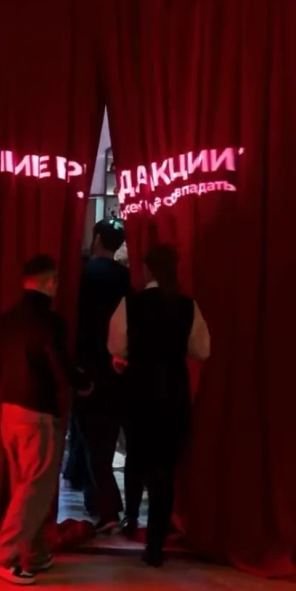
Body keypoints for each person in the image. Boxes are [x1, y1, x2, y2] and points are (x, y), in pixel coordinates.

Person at [0, 255, 88, 585]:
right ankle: (1, 554)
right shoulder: (50, 322)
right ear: (51, 281)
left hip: (8, 410)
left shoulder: (5, 320)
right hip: (38, 413)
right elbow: (60, 364)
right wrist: (84, 383)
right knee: (36, 490)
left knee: (23, 486)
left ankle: (35, 551)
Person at [108, 243, 210, 567]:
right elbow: (202, 350)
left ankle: (131, 518)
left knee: (136, 458)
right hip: (173, 395)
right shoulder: (187, 306)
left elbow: (116, 345)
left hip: (139, 392)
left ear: (147, 269)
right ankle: (155, 543)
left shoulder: (131, 303)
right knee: (164, 470)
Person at [75, 220, 131, 531]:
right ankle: (108, 503)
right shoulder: (126, 278)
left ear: (97, 239)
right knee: (107, 440)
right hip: (119, 370)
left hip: (89, 370)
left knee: (92, 442)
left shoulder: (84, 275)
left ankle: (105, 506)